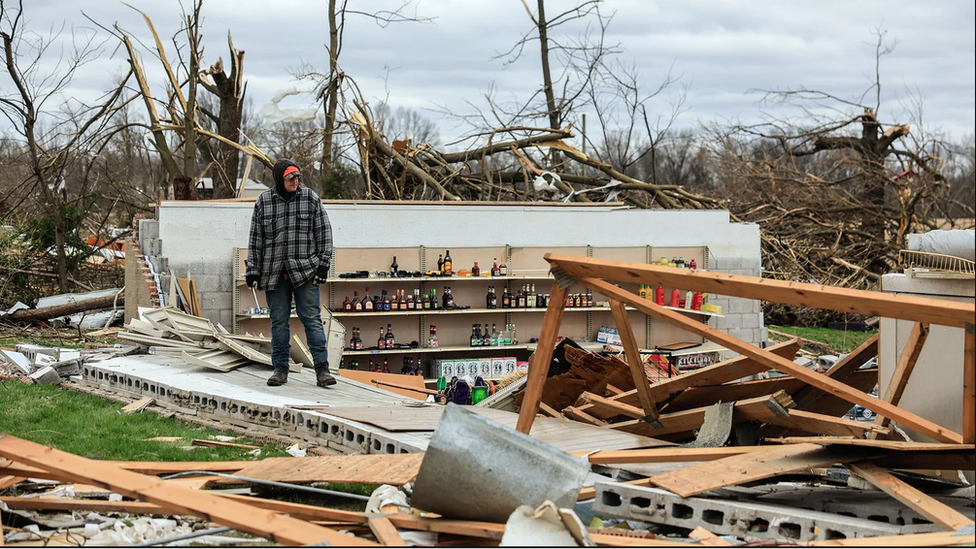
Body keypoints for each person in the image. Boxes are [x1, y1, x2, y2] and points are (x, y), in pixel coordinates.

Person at [245, 159, 337, 388]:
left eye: (297, 177)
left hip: (306, 271)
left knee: (312, 319)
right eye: (289, 178)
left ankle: (322, 370)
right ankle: (280, 369)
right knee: (278, 321)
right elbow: (255, 239)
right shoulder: (264, 202)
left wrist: (323, 265)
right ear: (279, 179)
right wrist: (253, 270)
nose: (295, 181)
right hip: (274, 272)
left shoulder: (310, 199)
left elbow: (324, 233)